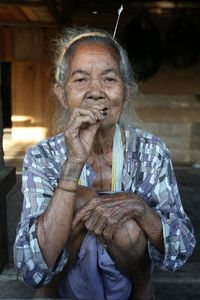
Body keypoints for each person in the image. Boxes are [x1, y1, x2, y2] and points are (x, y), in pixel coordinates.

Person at [14, 27, 195, 300]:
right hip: (63, 281)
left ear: (127, 92)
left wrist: (139, 209)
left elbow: (181, 248)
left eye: (109, 79)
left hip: (130, 276)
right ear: (62, 94)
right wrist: (73, 164)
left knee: (129, 224)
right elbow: (30, 266)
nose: (96, 92)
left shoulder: (151, 151)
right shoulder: (41, 156)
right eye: (80, 80)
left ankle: (143, 288)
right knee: (77, 199)